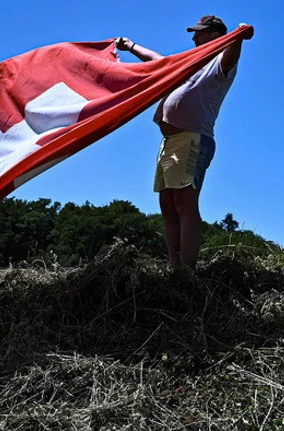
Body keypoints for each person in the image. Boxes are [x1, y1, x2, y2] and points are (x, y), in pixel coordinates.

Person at [116, 15, 253, 269]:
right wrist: (131, 45)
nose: (193, 37)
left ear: (215, 35)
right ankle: (175, 266)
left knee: (184, 202)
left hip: (192, 138)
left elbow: (230, 57)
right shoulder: (190, 63)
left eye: (199, 33)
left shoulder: (219, 64)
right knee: (167, 205)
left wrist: (238, 37)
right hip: (170, 142)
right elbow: (157, 61)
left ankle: (187, 269)